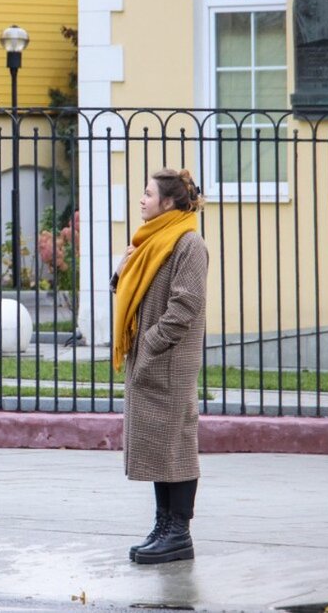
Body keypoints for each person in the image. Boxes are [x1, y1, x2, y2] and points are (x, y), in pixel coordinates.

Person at [112, 168, 208, 564]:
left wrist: (151, 342)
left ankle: (179, 533)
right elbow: (131, 291)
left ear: (167, 202)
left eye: (148, 193)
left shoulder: (188, 243)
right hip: (150, 358)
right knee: (157, 446)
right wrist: (120, 270)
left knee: (177, 445)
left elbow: (185, 305)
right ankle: (163, 523)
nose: (142, 198)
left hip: (169, 358)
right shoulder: (149, 241)